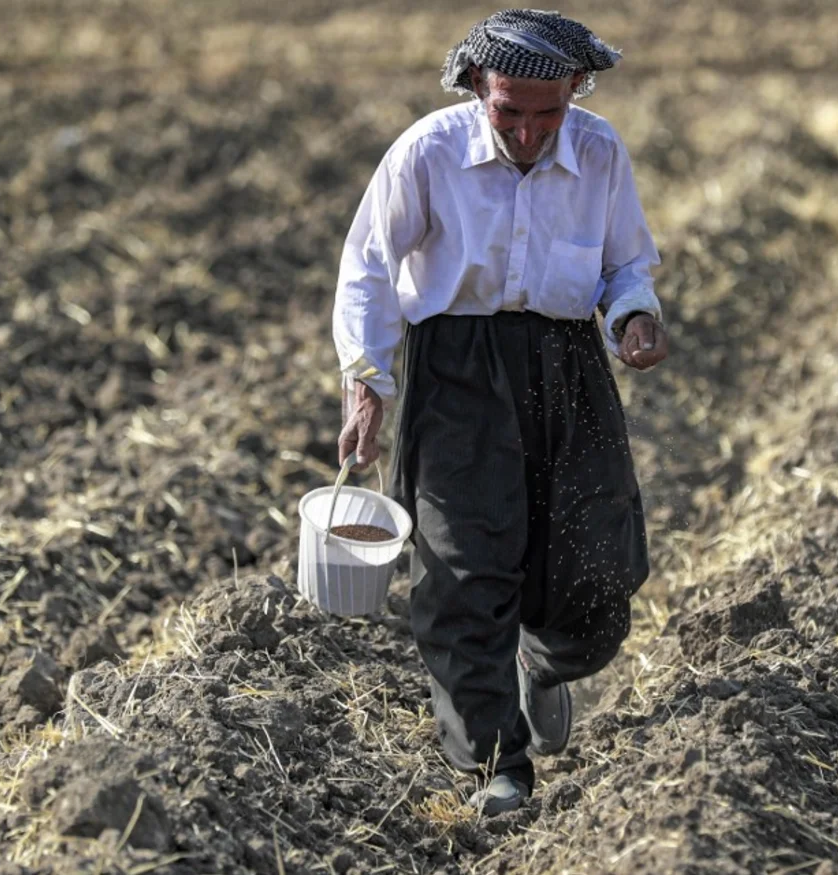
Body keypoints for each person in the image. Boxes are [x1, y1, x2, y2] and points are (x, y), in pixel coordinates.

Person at [332, 8, 668, 815]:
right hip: (457, 374)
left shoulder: (598, 150)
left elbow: (627, 261)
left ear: (575, 92)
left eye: (547, 112)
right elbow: (370, 270)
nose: (527, 130)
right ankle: (496, 766)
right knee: (460, 571)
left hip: (568, 368)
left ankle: (545, 665)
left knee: (594, 570)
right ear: (480, 86)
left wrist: (634, 316)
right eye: (509, 110)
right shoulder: (428, 152)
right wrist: (366, 379)